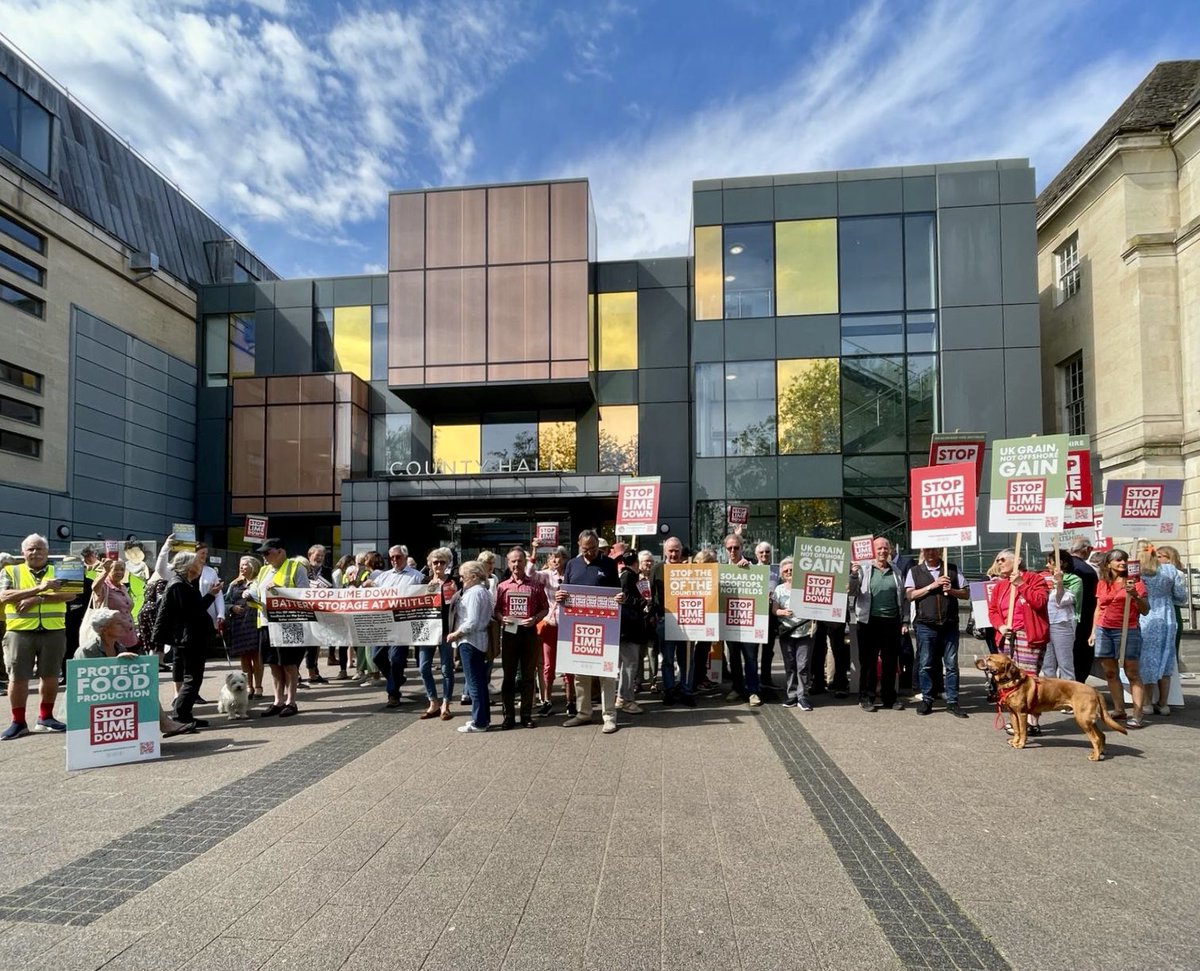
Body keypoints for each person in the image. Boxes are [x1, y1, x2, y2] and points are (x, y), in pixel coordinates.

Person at [0, 534, 79, 738]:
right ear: (23, 552)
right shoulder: (10, 570)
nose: (35, 553)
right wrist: (40, 588)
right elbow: (4, 596)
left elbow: (71, 594)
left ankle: (46, 717)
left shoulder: (59, 570)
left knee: (51, 675)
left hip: (53, 630)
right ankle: (18, 722)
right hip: (19, 630)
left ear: (47, 551)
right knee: (17, 677)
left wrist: (38, 598)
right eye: (31, 549)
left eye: (39, 549)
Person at [79, 607, 196, 738]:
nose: (124, 625)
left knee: (145, 689)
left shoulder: (119, 646)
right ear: (104, 629)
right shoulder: (88, 650)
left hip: (114, 692)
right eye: (118, 623)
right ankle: (164, 724)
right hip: (93, 699)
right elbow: (89, 680)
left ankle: (164, 724)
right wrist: (115, 663)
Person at [560, 529, 623, 734]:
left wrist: (620, 598)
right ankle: (583, 713)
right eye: (586, 549)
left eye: (594, 549)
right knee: (581, 672)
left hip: (605, 626)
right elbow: (566, 591)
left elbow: (618, 592)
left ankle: (609, 716)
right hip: (579, 627)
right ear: (579, 545)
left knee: (606, 673)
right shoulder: (572, 564)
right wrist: (561, 597)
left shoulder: (609, 564)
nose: (590, 553)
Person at [151, 551, 222, 728]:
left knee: (193, 676)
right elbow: (191, 613)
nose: (200, 566)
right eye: (197, 563)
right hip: (188, 637)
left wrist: (211, 594)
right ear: (189, 566)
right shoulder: (179, 585)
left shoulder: (186, 583)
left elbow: (194, 609)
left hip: (191, 636)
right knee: (192, 677)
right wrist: (210, 596)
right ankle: (181, 715)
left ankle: (184, 713)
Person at [988, 549, 1050, 735]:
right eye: (997, 560)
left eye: (1003, 559)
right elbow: (993, 611)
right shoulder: (1000, 586)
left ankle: (1031, 720)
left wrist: (1021, 584)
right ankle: (1015, 719)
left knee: (1028, 679)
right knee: (1009, 679)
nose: (999, 563)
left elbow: (1040, 602)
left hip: (1028, 635)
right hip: (1007, 636)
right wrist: (1000, 627)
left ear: (1017, 561)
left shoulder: (1034, 579)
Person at [246, 538, 309, 718]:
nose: (264, 557)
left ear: (280, 551)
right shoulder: (265, 570)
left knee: (289, 664)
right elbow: (257, 591)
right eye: (262, 554)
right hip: (266, 623)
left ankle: (291, 701)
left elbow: (305, 595)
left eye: (267, 553)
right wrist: (248, 594)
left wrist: (281, 590)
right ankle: (278, 701)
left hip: (288, 623)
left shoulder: (296, 567)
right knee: (273, 664)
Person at [906, 548, 969, 718]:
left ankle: (953, 702)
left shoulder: (952, 569)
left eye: (934, 550)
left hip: (949, 625)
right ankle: (927, 699)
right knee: (925, 663)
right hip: (926, 624)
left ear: (940, 551)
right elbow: (910, 595)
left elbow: (966, 592)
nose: (930, 553)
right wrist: (932, 586)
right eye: (927, 550)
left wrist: (952, 590)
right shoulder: (915, 571)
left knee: (951, 665)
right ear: (922, 552)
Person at [848, 536, 907, 713]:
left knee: (890, 661)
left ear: (890, 550)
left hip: (891, 621)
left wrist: (904, 620)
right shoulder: (864, 570)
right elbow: (852, 591)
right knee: (868, 661)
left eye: (885, 548)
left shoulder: (896, 571)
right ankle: (866, 697)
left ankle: (889, 697)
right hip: (868, 621)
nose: (882, 551)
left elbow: (903, 598)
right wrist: (853, 575)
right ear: (873, 551)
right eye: (879, 548)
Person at [493, 547, 548, 729]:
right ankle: (508, 716)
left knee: (528, 677)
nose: (517, 564)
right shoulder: (502, 586)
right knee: (508, 677)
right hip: (509, 633)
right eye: (513, 561)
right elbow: (496, 610)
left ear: (526, 562)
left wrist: (535, 619)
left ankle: (526, 715)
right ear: (508, 563)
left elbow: (545, 608)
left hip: (529, 633)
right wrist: (502, 618)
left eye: (520, 561)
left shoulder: (536, 585)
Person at [1138, 544, 1187, 716]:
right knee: (1166, 656)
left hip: (1144, 614)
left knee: (1147, 658)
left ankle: (1147, 703)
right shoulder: (1170, 570)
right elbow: (1181, 596)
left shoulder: (1139, 572)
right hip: (1167, 614)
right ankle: (1164, 703)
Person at [447, 560, 493, 733]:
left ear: (473, 576)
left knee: (474, 683)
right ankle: (482, 718)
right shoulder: (482, 591)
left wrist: (456, 633)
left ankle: (479, 721)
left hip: (470, 640)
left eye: (463, 576)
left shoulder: (475, 593)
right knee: (479, 682)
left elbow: (472, 621)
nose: (460, 579)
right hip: (477, 640)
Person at [652, 536, 697, 708]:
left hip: (688, 619)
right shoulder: (657, 569)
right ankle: (669, 690)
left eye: (676, 550)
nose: (673, 554)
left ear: (681, 550)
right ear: (664, 551)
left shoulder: (690, 568)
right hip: (666, 620)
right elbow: (653, 594)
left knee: (686, 660)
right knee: (668, 659)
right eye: (670, 550)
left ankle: (686, 691)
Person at [418, 548, 459, 721]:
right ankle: (433, 701)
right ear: (430, 564)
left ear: (447, 564)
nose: (439, 565)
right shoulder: (424, 581)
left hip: (446, 631)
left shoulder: (453, 582)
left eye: (442, 562)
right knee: (423, 667)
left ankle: (446, 704)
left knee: (446, 669)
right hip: (427, 632)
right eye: (435, 562)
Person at [721, 533, 762, 707]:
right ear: (725, 549)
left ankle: (753, 691)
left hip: (749, 621)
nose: (732, 551)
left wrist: (751, 567)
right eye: (729, 548)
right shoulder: (722, 569)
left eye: (736, 548)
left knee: (751, 658)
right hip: (730, 622)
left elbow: (762, 581)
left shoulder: (752, 564)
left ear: (741, 548)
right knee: (734, 658)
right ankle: (737, 688)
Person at [771, 556, 814, 710]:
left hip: (805, 631)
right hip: (787, 633)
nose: (789, 572)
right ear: (782, 574)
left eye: (792, 570)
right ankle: (792, 695)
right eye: (786, 571)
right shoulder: (779, 589)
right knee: (790, 666)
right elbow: (774, 609)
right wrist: (782, 611)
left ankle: (803, 696)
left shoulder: (805, 586)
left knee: (802, 666)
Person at [533, 545, 570, 717]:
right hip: (552, 624)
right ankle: (547, 701)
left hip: (569, 625)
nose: (556, 560)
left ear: (565, 559)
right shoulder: (547, 575)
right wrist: (534, 552)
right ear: (548, 560)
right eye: (552, 557)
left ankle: (571, 701)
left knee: (569, 665)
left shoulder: (572, 575)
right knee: (548, 665)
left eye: (560, 556)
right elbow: (529, 573)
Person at [226, 555, 265, 698]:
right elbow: (225, 601)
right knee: (244, 657)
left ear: (252, 566)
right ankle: (248, 686)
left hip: (255, 621)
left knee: (256, 656)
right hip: (239, 623)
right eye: (240, 565)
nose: (242, 568)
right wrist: (231, 607)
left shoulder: (259, 582)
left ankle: (259, 686)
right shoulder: (234, 584)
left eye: (245, 565)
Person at [616, 550, 649, 715]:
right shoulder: (628, 577)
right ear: (636, 562)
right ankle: (627, 700)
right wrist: (643, 601)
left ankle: (623, 697)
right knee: (630, 665)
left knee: (627, 665)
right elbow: (626, 599)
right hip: (629, 628)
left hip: (627, 628)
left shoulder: (626, 576)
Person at [1041, 549, 1081, 681]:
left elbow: (1062, 601)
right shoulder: (1043, 579)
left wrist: (1059, 583)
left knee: (1065, 665)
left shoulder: (1075, 580)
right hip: (1045, 624)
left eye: (1050, 562)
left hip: (1062, 625)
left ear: (1061, 563)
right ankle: (1051, 697)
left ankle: (1069, 696)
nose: (1047, 566)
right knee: (1047, 666)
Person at [89, 559, 140, 650]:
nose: (119, 572)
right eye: (116, 569)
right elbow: (95, 588)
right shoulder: (104, 586)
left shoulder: (123, 586)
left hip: (130, 636)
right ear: (109, 570)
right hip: (113, 638)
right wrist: (105, 571)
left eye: (122, 569)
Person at [1068, 536, 1099, 683]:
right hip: (1084, 619)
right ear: (1086, 549)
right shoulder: (1087, 571)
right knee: (1081, 657)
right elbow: (1093, 598)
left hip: (1061, 620)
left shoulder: (1061, 566)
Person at [300, 544, 331, 687]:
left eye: (322, 556)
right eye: (317, 555)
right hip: (302, 612)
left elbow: (334, 590)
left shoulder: (328, 572)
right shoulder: (301, 569)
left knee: (315, 643)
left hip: (320, 613)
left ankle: (313, 672)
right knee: (301, 644)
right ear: (309, 555)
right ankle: (297, 674)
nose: (319, 558)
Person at [753, 541, 780, 688]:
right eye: (761, 552)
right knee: (753, 649)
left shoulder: (777, 570)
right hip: (756, 614)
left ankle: (766, 679)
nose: (764, 555)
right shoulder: (750, 569)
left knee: (769, 650)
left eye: (767, 552)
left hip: (771, 614)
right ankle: (753, 680)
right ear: (756, 554)